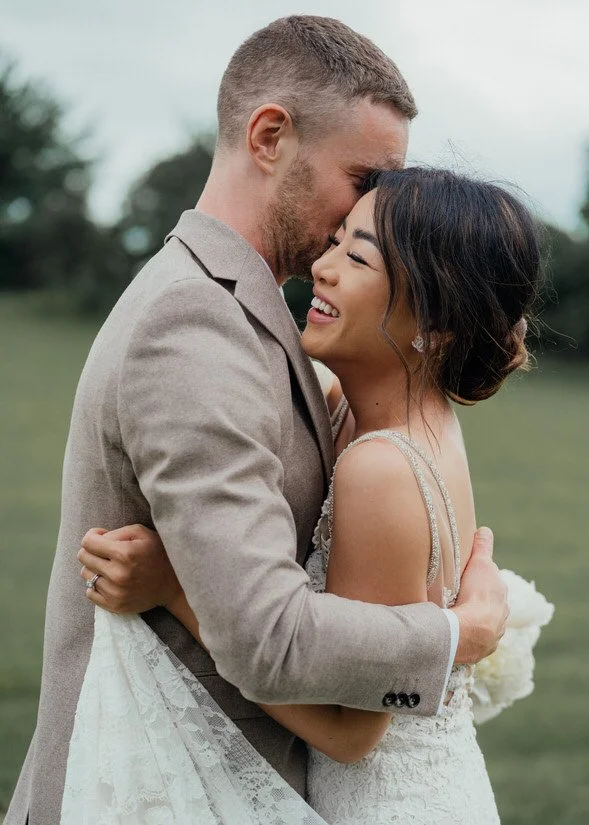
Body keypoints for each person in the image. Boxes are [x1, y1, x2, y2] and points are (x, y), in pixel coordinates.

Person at [5, 17, 507, 825]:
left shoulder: (253, 312)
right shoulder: (191, 323)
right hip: (147, 782)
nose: (374, 203)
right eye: (362, 175)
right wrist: (454, 637)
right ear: (270, 135)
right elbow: (266, 635)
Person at [80, 169, 541, 822]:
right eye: (335, 242)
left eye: (356, 258)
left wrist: (173, 588)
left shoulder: (380, 467)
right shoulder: (377, 413)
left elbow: (351, 732)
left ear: (435, 325)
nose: (322, 268)